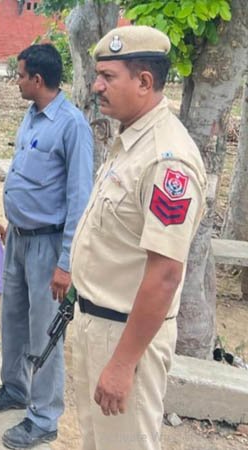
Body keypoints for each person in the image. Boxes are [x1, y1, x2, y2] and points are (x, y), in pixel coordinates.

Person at [70, 26, 206, 450]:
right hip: (96, 325)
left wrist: (123, 363)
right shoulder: (130, 140)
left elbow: (165, 273)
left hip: (125, 336)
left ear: (144, 82)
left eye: (108, 77)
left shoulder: (169, 161)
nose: (96, 85)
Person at [0, 43, 93, 449]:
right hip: (19, 239)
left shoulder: (71, 125)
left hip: (48, 246)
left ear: (37, 80)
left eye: (21, 75)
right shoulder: (30, 116)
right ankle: (14, 388)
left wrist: (66, 263)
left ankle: (43, 418)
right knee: (13, 320)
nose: (18, 81)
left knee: (46, 334)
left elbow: (80, 199)